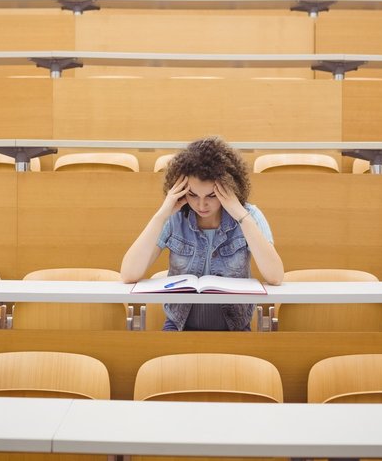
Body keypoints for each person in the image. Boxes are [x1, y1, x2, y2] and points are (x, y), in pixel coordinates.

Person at [121, 136, 283, 331]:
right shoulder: (174, 217)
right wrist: (161, 215)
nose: (201, 205)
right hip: (178, 328)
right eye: (193, 195)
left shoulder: (250, 215)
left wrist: (241, 214)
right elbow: (129, 274)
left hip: (235, 330)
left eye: (212, 196)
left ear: (230, 189)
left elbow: (275, 276)